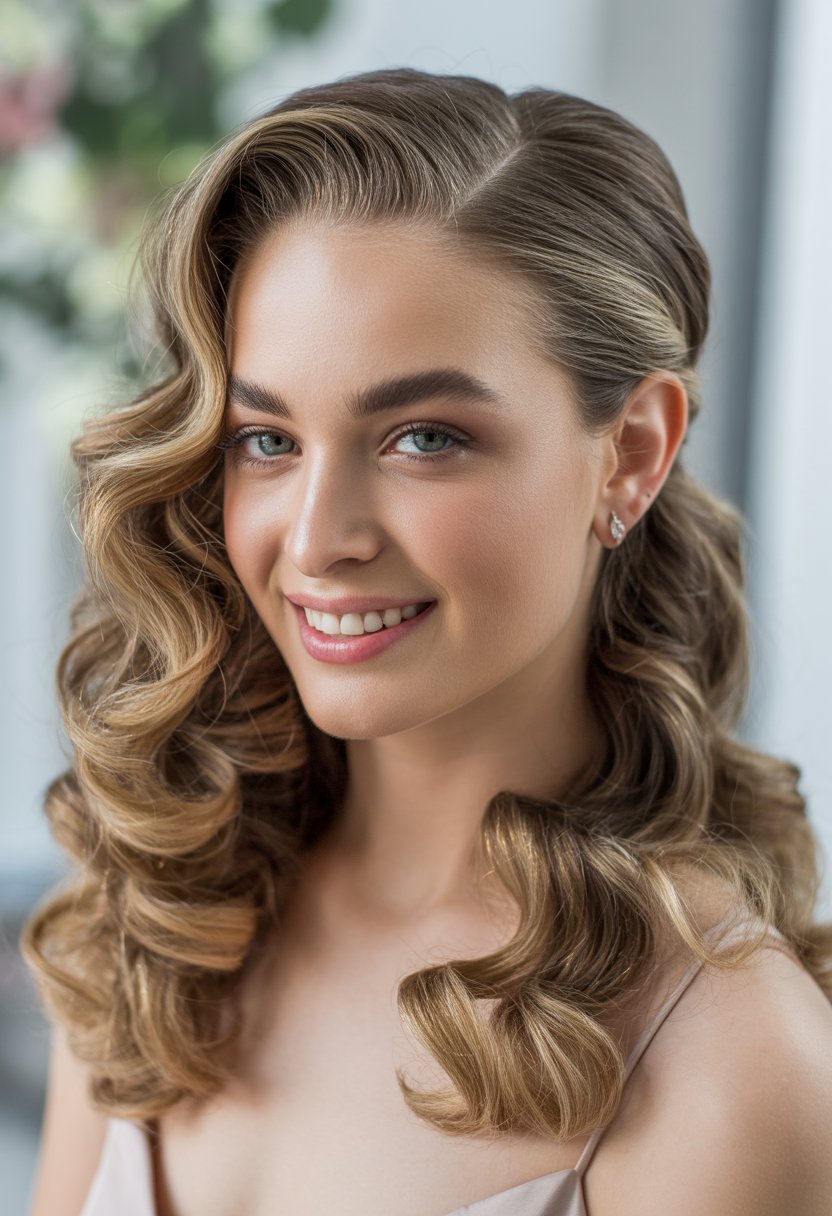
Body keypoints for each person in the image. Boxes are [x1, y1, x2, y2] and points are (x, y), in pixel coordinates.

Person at [21, 66, 832, 1216]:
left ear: (633, 452)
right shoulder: (159, 913)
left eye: (423, 437)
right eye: (267, 439)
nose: (317, 538)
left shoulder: (723, 1068)